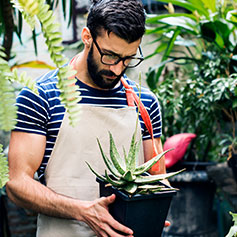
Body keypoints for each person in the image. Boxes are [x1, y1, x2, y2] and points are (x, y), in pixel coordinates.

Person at [6, 0, 168, 236]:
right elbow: (17, 183)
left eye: (128, 58)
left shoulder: (145, 103)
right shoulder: (41, 96)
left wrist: (153, 210)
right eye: (110, 56)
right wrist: (83, 211)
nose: (117, 69)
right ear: (87, 37)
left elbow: (157, 179)